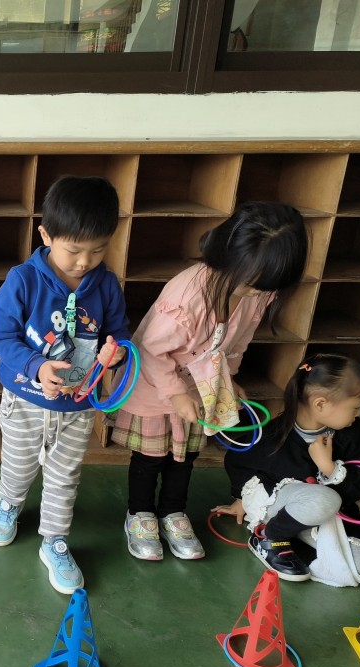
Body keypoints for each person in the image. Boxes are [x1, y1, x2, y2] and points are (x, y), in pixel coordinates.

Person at [112, 201, 308, 562]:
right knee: (150, 458)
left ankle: (173, 511)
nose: (258, 293)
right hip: (155, 387)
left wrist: (229, 379)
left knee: (185, 457)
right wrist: (176, 394)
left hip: (200, 389)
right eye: (252, 283)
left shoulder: (258, 293)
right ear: (229, 257)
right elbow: (151, 350)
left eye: (267, 286)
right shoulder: (187, 297)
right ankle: (139, 514)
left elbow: (237, 343)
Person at [0, 176, 129, 595]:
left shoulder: (106, 284)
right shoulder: (22, 280)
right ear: (46, 235)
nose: (85, 262)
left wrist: (117, 353)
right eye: (74, 250)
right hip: (24, 399)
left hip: (78, 407)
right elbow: (1, 337)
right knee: (18, 467)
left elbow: (118, 333)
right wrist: (36, 366)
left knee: (65, 477)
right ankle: (9, 503)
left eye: (98, 250)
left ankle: (54, 539)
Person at [213, 354, 360, 586]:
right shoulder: (275, 434)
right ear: (320, 404)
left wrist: (330, 468)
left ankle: (294, 535)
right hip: (287, 508)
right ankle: (268, 536)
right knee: (325, 498)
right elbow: (237, 459)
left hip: (329, 513)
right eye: (355, 407)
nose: (358, 413)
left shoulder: (352, 432)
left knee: (359, 569)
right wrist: (242, 497)